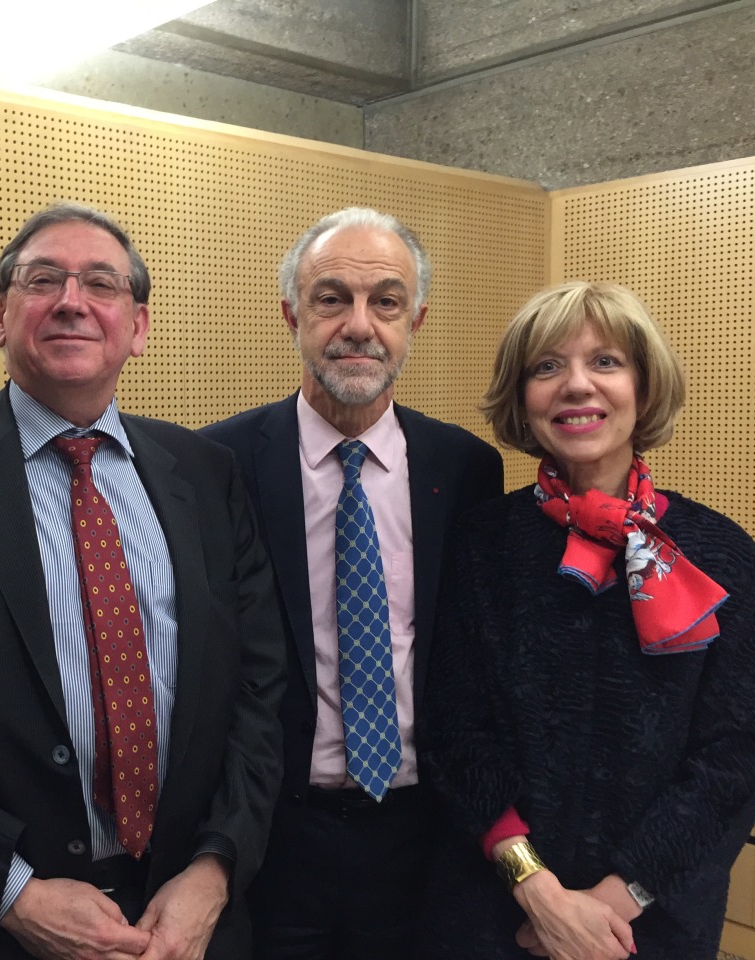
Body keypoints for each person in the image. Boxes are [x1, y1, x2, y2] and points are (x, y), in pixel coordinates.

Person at [0, 202, 287, 960]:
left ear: (138, 327)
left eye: (102, 283)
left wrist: (215, 868)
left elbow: (261, 690)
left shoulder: (204, 474)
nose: (72, 301)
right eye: (43, 281)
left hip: (187, 922)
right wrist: (13, 892)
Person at [416, 281, 755, 960]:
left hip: (649, 926)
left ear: (644, 384)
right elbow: (454, 732)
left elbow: (736, 755)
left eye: (605, 362)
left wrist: (611, 905)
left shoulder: (723, 554)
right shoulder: (480, 542)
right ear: (523, 397)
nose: (576, 385)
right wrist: (537, 892)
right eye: (547, 367)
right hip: (493, 915)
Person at [201, 207, 504, 959]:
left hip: (426, 835)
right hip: (275, 837)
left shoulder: (466, 470)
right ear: (292, 313)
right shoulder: (216, 465)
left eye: (387, 302)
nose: (359, 325)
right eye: (332, 298)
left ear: (416, 320)